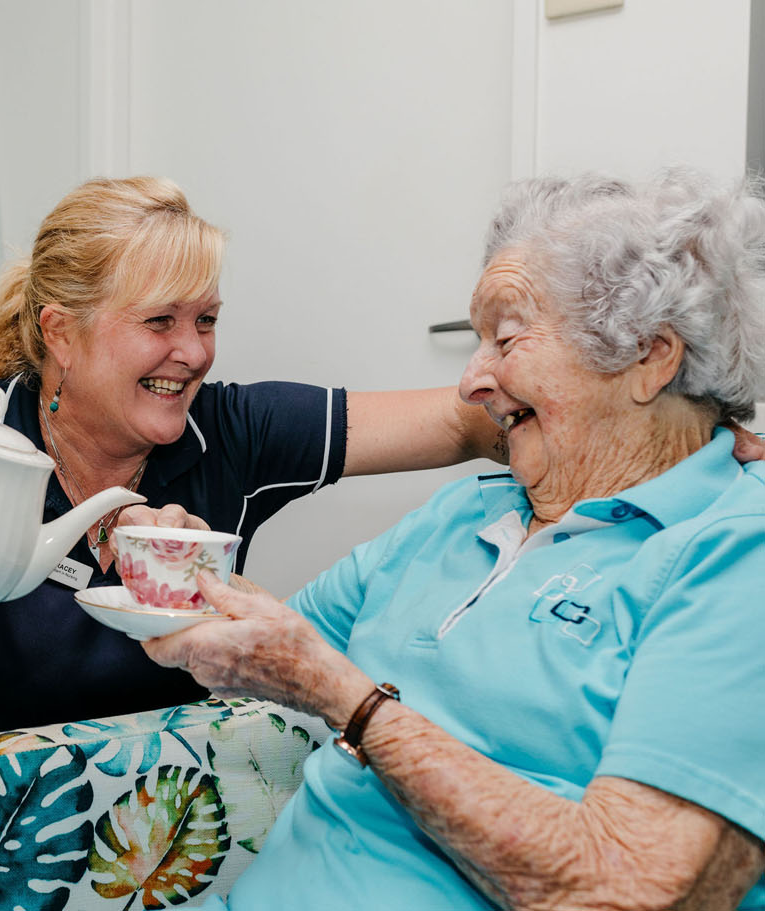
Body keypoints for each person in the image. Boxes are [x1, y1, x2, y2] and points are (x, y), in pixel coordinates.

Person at [0, 176, 505, 909]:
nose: (191, 351)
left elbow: (470, 415)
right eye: (159, 321)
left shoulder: (235, 432)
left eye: (207, 320)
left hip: (152, 838)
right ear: (61, 330)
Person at [144, 169, 765, 910]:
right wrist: (181, 563)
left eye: (505, 337)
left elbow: (631, 887)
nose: (471, 381)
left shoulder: (728, 553)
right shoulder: (460, 516)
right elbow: (275, 647)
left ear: (647, 357)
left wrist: (354, 703)